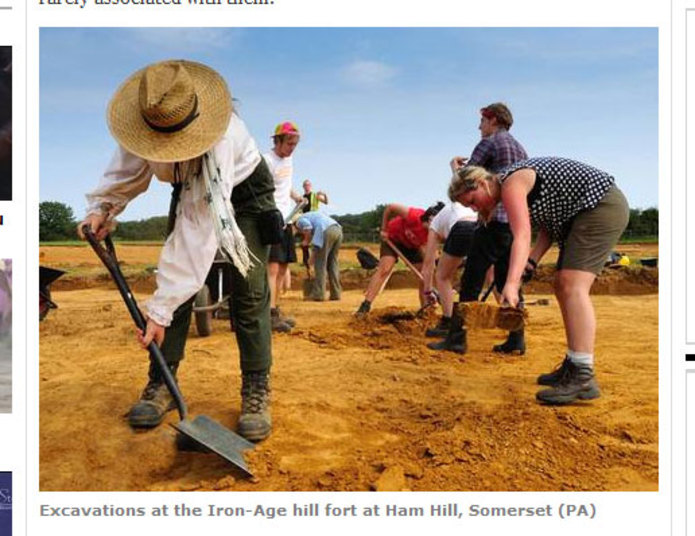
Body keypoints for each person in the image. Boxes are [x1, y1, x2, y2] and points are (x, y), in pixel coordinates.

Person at [77, 60, 277, 441]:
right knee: (176, 292)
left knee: (248, 291)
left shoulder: (223, 139)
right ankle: (162, 383)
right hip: (189, 189)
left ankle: (256, 388)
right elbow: (126, 170)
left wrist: (158, 313)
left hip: (245, 195)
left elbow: (197, 235)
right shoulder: (149, 118)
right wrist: (102, 208)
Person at [450, 157, 629, 405]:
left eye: (471, 201)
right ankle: (575, 363)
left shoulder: (510, 183)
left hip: (600, 206)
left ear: (481, 183)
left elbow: (521, 235)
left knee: (572, 284)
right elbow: (548, 224)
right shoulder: (512, 187)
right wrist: (532, 261)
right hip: (578, 216)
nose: (473, 209)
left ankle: (582, 374)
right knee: (561, 284)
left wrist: (511, 284)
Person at [429, 102, 528, 354]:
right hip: (514, 223)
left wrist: (453, 167)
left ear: (493, 119)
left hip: (492, 220)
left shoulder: (490, 142)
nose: (479, 127)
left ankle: (457, 338)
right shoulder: (519, 147)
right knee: (507, 278)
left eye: (482, 122)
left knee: (472, 278)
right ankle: (516, 339)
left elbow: (467, 181)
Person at [355, 202, 444, 315]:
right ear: (430, 219)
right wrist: (384, 229)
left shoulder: (431, 236)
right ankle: (365, 305)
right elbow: (390, 208)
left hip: (411, 247)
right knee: (385, 268)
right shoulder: (413, 215)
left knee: (423, 274)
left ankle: (425, 308)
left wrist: (429, 287)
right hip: (392, 239)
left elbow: (429, 265)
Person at [263, 121, 304, 332]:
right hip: (273, 218)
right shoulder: (266, 161)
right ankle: (268, 314)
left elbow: (284, 186)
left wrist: (296, 196)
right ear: (277, 141)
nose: (292, 148)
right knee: (272, 267)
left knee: (284, 267)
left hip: (287, 217)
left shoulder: (289, 160)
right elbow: (263, 190)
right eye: (289, 143)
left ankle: (275, 309)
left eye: (295, 144)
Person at [420, 201, 477, 337]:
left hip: (462, 228)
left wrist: (428, 291)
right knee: (492, 275)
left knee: (442, 276)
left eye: (426, 227)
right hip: (482, 225)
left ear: (430, 219)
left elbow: (428, 265)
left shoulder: (435, 223)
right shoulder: (460, 208)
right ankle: (514, 326)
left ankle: (447, 321)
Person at [295, 211, 343, 301]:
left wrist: (306, 241)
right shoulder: (313, 216)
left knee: (320, 264)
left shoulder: (300, 220)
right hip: (338, 230)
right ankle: (336, 293)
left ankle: (318, 294)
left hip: (326, 231)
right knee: (333, 263)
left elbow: (308, 227)